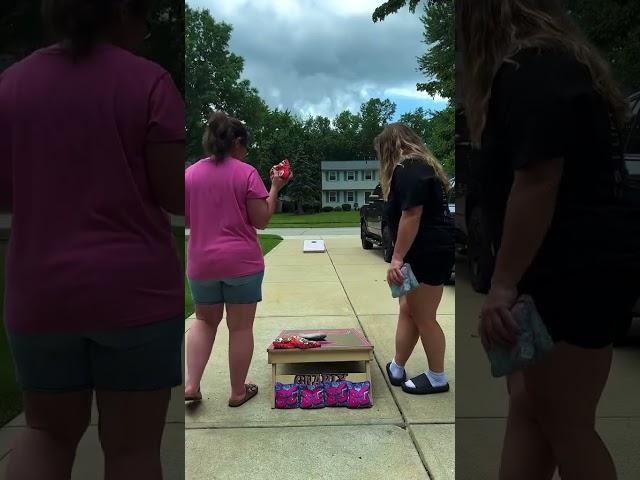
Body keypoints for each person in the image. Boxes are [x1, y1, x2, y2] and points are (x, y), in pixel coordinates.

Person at [0, 1, 185, 479]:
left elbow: (6, 190)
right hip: (135, 295)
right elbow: (173, 195)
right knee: (132, 450)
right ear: (121, 11)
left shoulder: (12, 85)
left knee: (46, 434)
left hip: (40, 294)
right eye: (145, 18)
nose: (146, 31)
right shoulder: (149, 83)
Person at [459, 0, 640, 478]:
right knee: (529, 406)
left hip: (569, 276)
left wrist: (502, 285)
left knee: (566, 421)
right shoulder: (556, 65)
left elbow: (538, 179)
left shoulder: (532, 69)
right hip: (576, 270)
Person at [184, 111, 291, 407]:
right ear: (238, 143)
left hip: (201, 262)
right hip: (241, 264)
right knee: (240, 327)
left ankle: (191, 385)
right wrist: (275, 188)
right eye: (246, 145)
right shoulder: (246, 173)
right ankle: (237, 391)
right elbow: (262, 221)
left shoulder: (190, 175)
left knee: (204, 321)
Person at [376, 123, 455, 395]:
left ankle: (437, 377)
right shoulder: (418, 168)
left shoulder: (410, 169)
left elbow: (412, 215)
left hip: (425, 254)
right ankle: (397, 366)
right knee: (406, 308)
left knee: (424, 317)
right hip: (416, 253)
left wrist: (396, 259)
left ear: (389, 147)